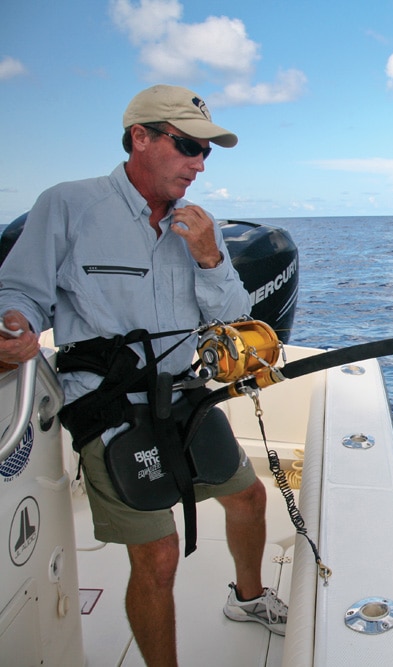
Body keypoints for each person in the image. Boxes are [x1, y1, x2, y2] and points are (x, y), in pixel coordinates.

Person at [0, 84, 287, 666]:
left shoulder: (199, 226)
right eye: (187, 145)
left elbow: (233, 315)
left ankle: (249, 598)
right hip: (109, 409)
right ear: (141, 137)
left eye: (207, 151)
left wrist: (210, 255)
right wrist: (14, 326)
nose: (199, 163)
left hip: (184, 398)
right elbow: (21, 292)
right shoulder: (68, 204)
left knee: (250, 498)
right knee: (158, 555)